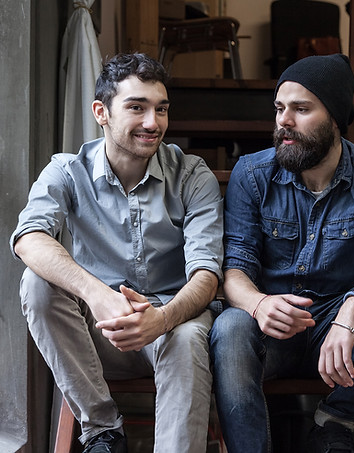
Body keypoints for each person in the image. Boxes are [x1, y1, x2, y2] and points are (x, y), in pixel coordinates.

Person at [210, 53, 354, 453]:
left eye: (301, 109)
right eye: (280, 108)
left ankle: (335, 421)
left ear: (334, 117)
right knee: (228, 326)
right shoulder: (252, 174)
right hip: (271, 331)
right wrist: (259, 304)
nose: (284, 121)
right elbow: (233, 269)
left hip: (341, 334)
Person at [10, 53, 223, 453]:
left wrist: (161, 319)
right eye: (136, 108)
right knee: (36, 283)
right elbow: (28, 237)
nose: (152, 122)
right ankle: (103, 431)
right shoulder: (67, 170)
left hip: (173, 324)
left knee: (190, 338)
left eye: (161, 109)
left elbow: (207, 276)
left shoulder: (193, 175)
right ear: (101, 112)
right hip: (96, 335)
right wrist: (98, 295)